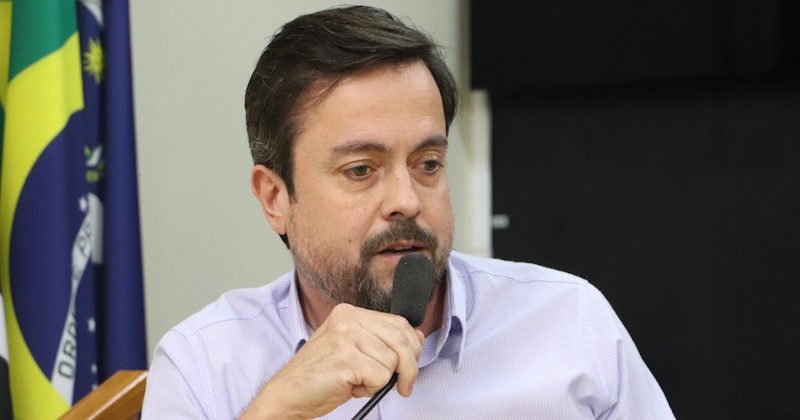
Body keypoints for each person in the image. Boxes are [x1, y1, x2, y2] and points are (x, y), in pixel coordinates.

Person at [142, 5, 675, 419]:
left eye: (427, 163)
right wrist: (276, 410)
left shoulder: (570, 322)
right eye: (360, 170)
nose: (408, 200)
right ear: (274, 198)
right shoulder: (203, 365)